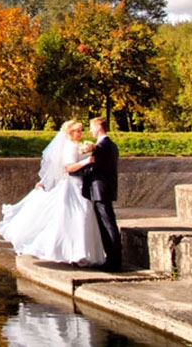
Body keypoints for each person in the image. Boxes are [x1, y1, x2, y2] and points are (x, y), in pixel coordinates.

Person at [0, 120, 106, 266]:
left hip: (78, 184)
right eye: (77, 131)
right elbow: (68, 168)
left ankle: (77, 253)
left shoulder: (75, 146)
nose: (80, 133)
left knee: (78, 216)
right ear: (70, 133)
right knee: (79, 214)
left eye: (80, 130)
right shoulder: (71, 147)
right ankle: (76, 253)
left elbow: (55, 167)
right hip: (73, 185)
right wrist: (88, 161)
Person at [70, 116, 122, 271]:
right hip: (105, 189)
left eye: (92, 127)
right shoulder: (111, 145)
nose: (90, 130)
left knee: (107, 224)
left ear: (99, 127)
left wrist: (72, 172)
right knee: (108, 223)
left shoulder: (101, 147)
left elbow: (94, 168)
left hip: (100, 190)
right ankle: (113, 258)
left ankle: (113, 261)